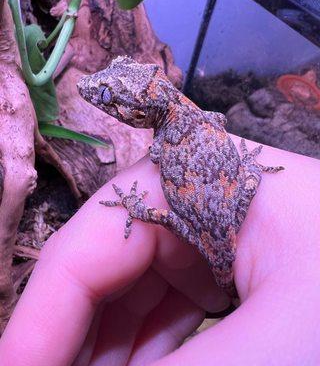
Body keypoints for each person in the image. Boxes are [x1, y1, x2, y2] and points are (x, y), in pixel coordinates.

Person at [0, 136, 320, 366]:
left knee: (170, 221)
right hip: (215, 236)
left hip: (212, 237)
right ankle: (226, 295)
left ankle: (225, 292)